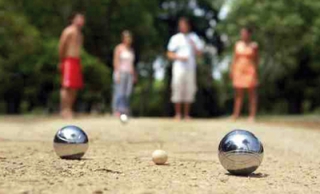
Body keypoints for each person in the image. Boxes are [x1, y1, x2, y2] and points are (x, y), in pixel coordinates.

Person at [167, 17, 204, 120]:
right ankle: (178, 114)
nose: (183, 26)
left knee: (190, 89)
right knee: (177, 88)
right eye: (181, 25)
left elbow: (200, 53)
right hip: (178, 67)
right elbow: (169, 53)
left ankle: (187, 114)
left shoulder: (194, 37)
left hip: (190, 68)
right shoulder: (175, 38)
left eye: (184, 24)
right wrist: (179, 57)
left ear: (188, 25)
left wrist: (194, 46)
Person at [58, 12, 85, 119]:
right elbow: (61, 46)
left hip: (76, 61)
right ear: (73, 20)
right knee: (66, 86)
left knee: (74, 87)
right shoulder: (68, 31)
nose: (81, 21)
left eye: (82, 19)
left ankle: (70, 108)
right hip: (68, 60)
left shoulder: (80, 34)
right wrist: (61, 61)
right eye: (79, 19)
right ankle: (64, 110)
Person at [230, 27, 259, 122]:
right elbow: (234, 59)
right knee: (238, 94)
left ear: (249, 34)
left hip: (250, 70)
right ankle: (236, 114)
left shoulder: (254, 45)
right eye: (242, 33)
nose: (243, 35)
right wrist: (232, 70)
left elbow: (257, 59)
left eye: (245, 33)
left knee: (252, 94)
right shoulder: (238, 44)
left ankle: (252, 115)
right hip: (239, 70)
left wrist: (256, 71)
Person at [113, 30, 136, 116]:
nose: (129, 39)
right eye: (127, 37)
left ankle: (125, 110)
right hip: (121, 72)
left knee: (127, 93)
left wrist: (134, 75)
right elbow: (116, 61)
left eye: (130, 37)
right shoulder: (119, 48)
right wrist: (117, 73)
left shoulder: (131, 50)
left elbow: (132, 64)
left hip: (129, 73)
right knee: (119, 92)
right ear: (123, 39)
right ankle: (117, 111)